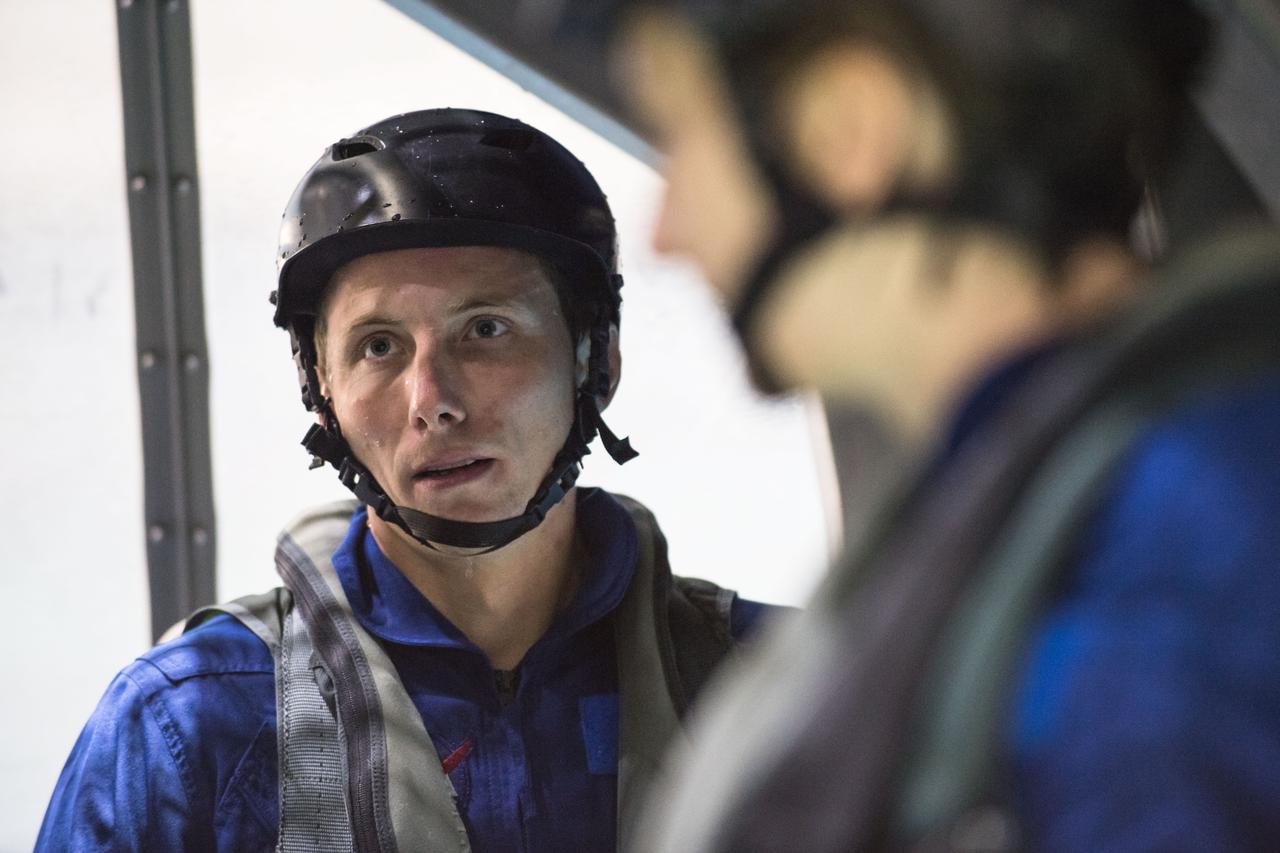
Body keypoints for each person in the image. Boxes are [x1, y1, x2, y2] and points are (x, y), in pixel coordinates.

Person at [614, 1, 1280, 850]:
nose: (665, 230)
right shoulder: (1023, 502)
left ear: (851, 127)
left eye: (682, 133)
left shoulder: (1173, 548)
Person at [37, 108, 772, 852]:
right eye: (379, 345)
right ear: (321, 388)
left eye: (486, 328)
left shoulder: (791, 688)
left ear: (596, 359)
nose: (433, 401)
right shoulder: (186, 728)